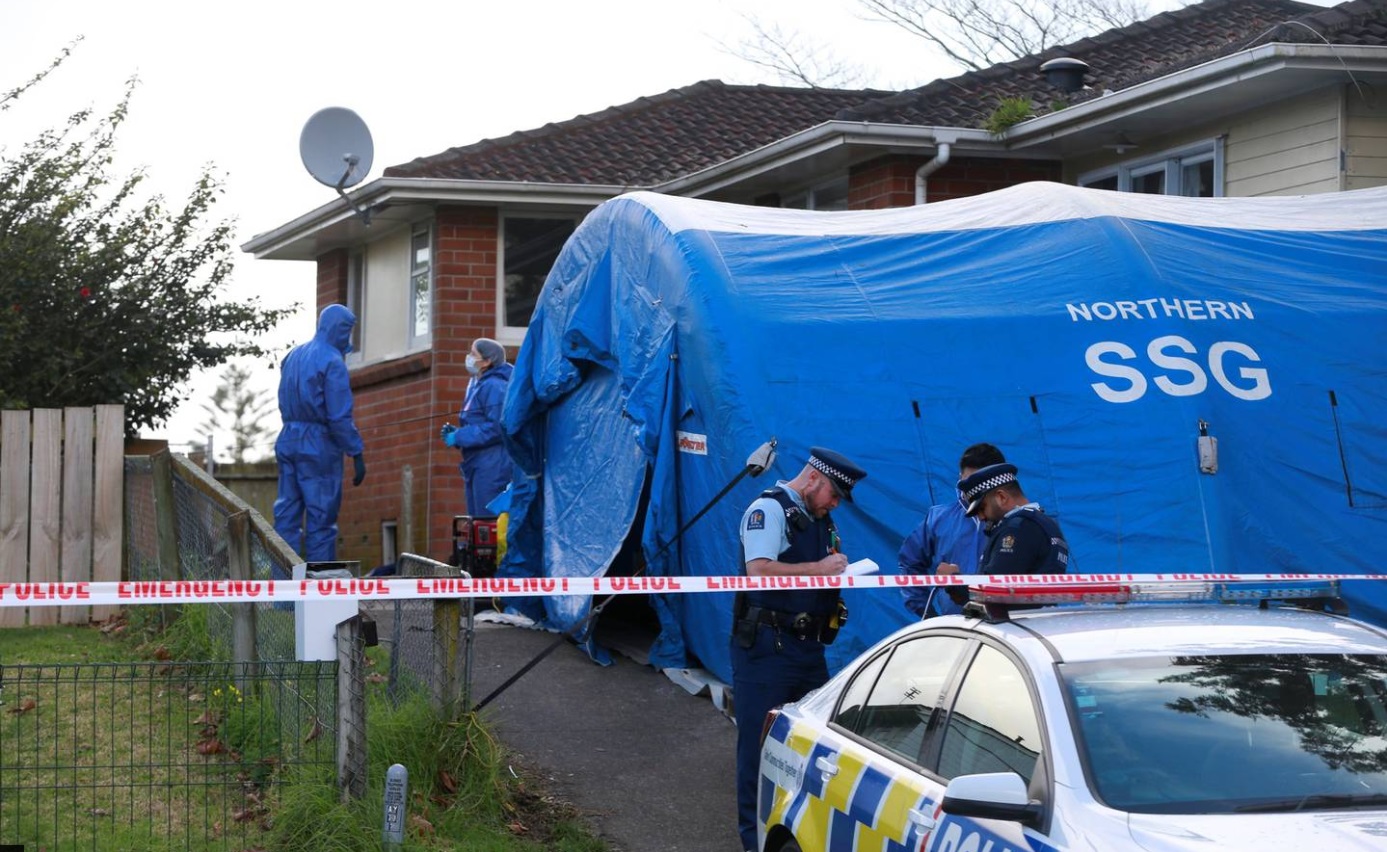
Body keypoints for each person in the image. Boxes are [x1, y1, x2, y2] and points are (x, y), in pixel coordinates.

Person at [730, 446, 866, 852]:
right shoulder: (768, 511)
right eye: (834, 494)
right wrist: (819, 570)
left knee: (810, 749)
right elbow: (759, 571)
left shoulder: (818, 518)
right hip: (767, 651)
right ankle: (754, 843)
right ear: (813, 480)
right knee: (759, 750)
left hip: (807, 650)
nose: (836, 504)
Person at [273, 304, 366, 564]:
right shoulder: (332, 362)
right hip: (318, 444)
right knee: (321, 517)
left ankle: (283, 589)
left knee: (286, 514)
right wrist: (356, 451)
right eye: (347, 331)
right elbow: (338, 416)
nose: (348, 338)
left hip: (288, 436)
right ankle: (317, 591)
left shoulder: (294, 355)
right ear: (339, 329)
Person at [898, 442, 1007, 618]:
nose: (973, 490)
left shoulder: (1017, 521)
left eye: (981, 484)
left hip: (1008, 625)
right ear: (959, 477)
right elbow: (909, 562)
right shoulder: (937, 519)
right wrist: (928, 614)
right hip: (956, 627)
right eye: (967, 483)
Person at [942, 462, 1069, 586]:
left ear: (1002, 497)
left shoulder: (1018, 528)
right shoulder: (1047, 524)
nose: (980, 517)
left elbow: (993, 591)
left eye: (982, 508)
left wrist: (953, 581)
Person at [440, 338, 513, 517]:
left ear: (487, 361)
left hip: (492, 465)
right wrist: (457, 435)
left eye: (473, 354)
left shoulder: (495, 386)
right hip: (478, 463)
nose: (469, 358)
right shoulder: (478, 385)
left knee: (487, 524)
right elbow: (476, 422)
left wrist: (460, 436)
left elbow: (497, 428)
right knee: (477, 523)